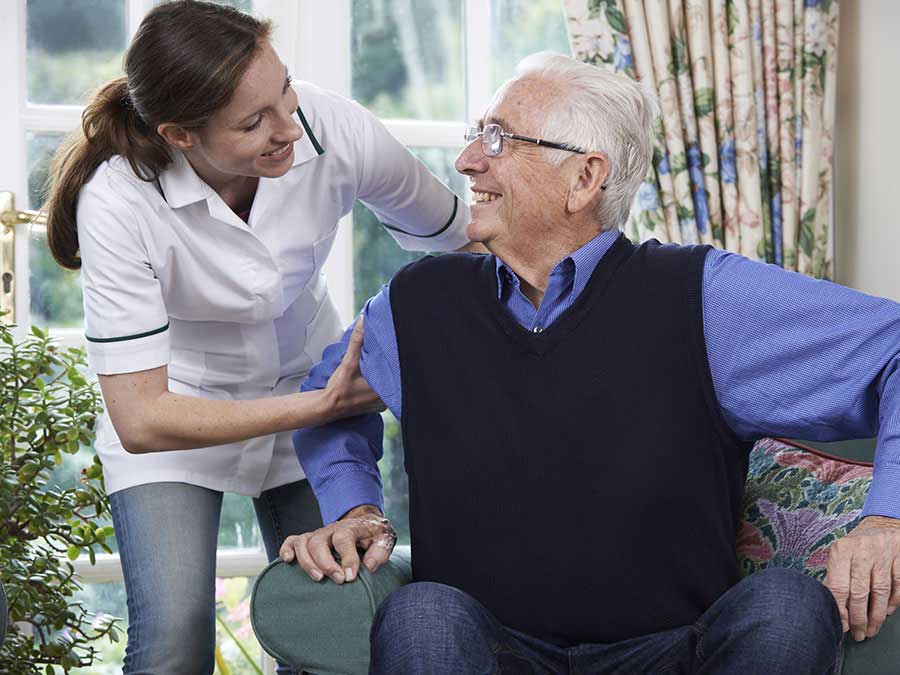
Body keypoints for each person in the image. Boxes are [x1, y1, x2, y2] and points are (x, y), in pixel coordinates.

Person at [285, 52, 900, 674]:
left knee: (789, 604)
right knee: (421, 612)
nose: (467, 159)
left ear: (584, 178)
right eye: (477, 134)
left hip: (676, 653)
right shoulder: (417, 303)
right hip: (493, 652)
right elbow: (326, 401)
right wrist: (357, 509)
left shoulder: (706, 297)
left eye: (498, 139)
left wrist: (886, 520)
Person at [42, 2, 471, 673]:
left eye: (285, 90)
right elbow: (141, 418)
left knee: (333, 626)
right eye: (252, 123)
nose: (288, 127)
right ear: (181, 135)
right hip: (179, 409)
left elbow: (465, 242)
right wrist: (319, 404)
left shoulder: (332, 127)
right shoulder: (118, 199)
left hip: (306, 384)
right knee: (174, 638)